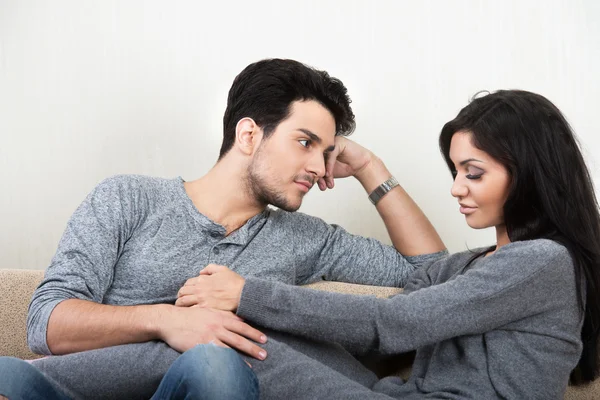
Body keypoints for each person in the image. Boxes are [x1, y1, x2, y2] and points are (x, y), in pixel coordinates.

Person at [0, 59, 445, 400]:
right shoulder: (128, 198)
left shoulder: (306, 238)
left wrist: (371, 169)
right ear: (248, 135)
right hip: (80, 391)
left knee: (215, 365)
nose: (317, 166)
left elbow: (435, 276)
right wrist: (167, 321)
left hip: (214, 386)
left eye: (327, 151)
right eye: (305, 142)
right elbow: (46, 322)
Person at [187, 90, 600, 399]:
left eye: (473, 173)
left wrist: (247, 293)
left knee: (229, 344)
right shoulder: (470, 266)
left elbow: (396, 322)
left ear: (529, 173)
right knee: (237, 335)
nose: (456, 189)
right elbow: (424, 274)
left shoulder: (545, 262)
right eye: (455, 172)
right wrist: (370, 168)